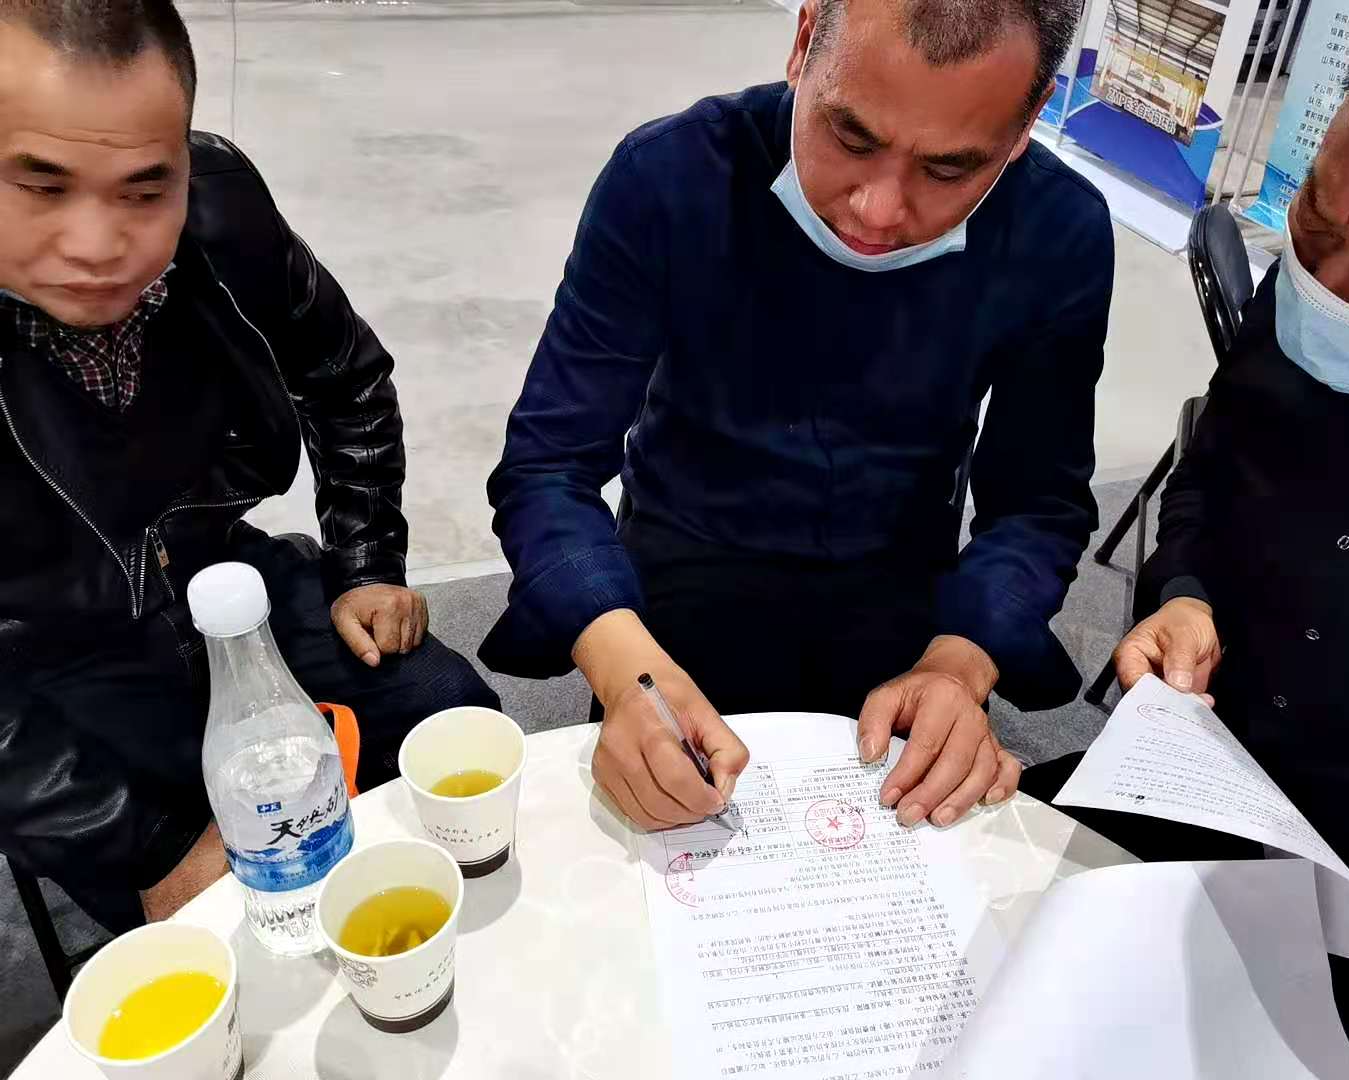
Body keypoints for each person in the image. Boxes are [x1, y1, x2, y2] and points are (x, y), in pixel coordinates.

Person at [483, 0, 1113, 832]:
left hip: (908, 602)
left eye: (950, 169)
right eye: (851, 136)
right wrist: (622, 666)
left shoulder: (1057, 231)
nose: (878, 210)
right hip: (673, 588)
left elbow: (1037, 503)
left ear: (1028, 123)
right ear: (805, 41)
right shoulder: (672, 176)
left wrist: (960, 666)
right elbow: (548, 465)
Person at [0, 0, 499, 931]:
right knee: (227, 923)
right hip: (48, 668)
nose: (98, 245)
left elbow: (345, 376)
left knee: (449, 720)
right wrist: (146, 847)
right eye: (41, 185)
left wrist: (365, 562)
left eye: (144, 191)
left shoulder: (223, 213)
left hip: (224, 582)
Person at [1022, 0, 1349, 1070]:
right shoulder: (1299, 304)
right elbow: (1205, 481)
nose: (1331, 295)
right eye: (1317, 223)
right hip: (1205, 792)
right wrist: (1184, 595)